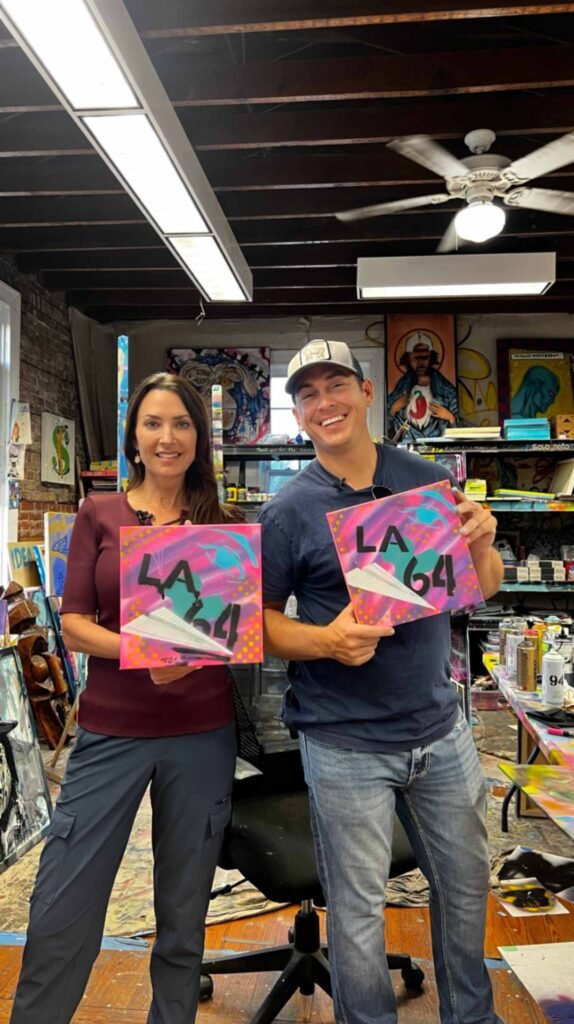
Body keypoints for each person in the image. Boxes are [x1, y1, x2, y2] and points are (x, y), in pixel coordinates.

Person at [258, 338, 506, 1024]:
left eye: (335, 385)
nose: (324, 402)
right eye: (307, 395)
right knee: (359, 914)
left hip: (439, 731)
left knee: (463, 888)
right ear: (300, 415)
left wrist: (483, 545)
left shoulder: (425, 479)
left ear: (368, 392)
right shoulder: (286, 513)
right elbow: (261, 625)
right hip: (343, 743)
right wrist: (327, 642)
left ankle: (473, 1017)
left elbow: (477, 591)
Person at [11, 372, 239, 1024]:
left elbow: (238, 628)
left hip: (202, 733)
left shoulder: (222, 526)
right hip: (113, 732)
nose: (167, 437)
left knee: (184, 912)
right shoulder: (99, 514)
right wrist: (144, 649)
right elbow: (75, 621)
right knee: (62, 903)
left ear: (198, 436)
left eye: (182, 424)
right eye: (153, 423)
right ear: (134, 437)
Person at [387, 330, 459, 439]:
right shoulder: (400, 390)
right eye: (416, 358)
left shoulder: (446, 390)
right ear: (408, 359)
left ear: (431, 358)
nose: (421, 363)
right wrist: (393, 410)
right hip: (407, 449)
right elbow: (385, 426)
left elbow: (460, 430)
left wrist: (449, 417)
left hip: (437, 451)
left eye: (425, 358)